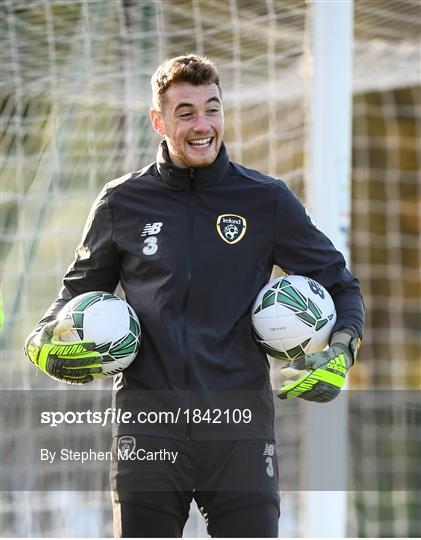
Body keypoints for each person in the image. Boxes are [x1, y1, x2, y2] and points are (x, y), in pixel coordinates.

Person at [25, 54, 365, 538]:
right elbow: (76, 293)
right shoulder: (122, 202)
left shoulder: (265, 200)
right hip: (149, 431)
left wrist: (342, 348)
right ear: (159, 121)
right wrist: (38, 343)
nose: (203, 125)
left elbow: (341, 285)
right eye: (186, 112)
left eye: (213, 108)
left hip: (240, 431)